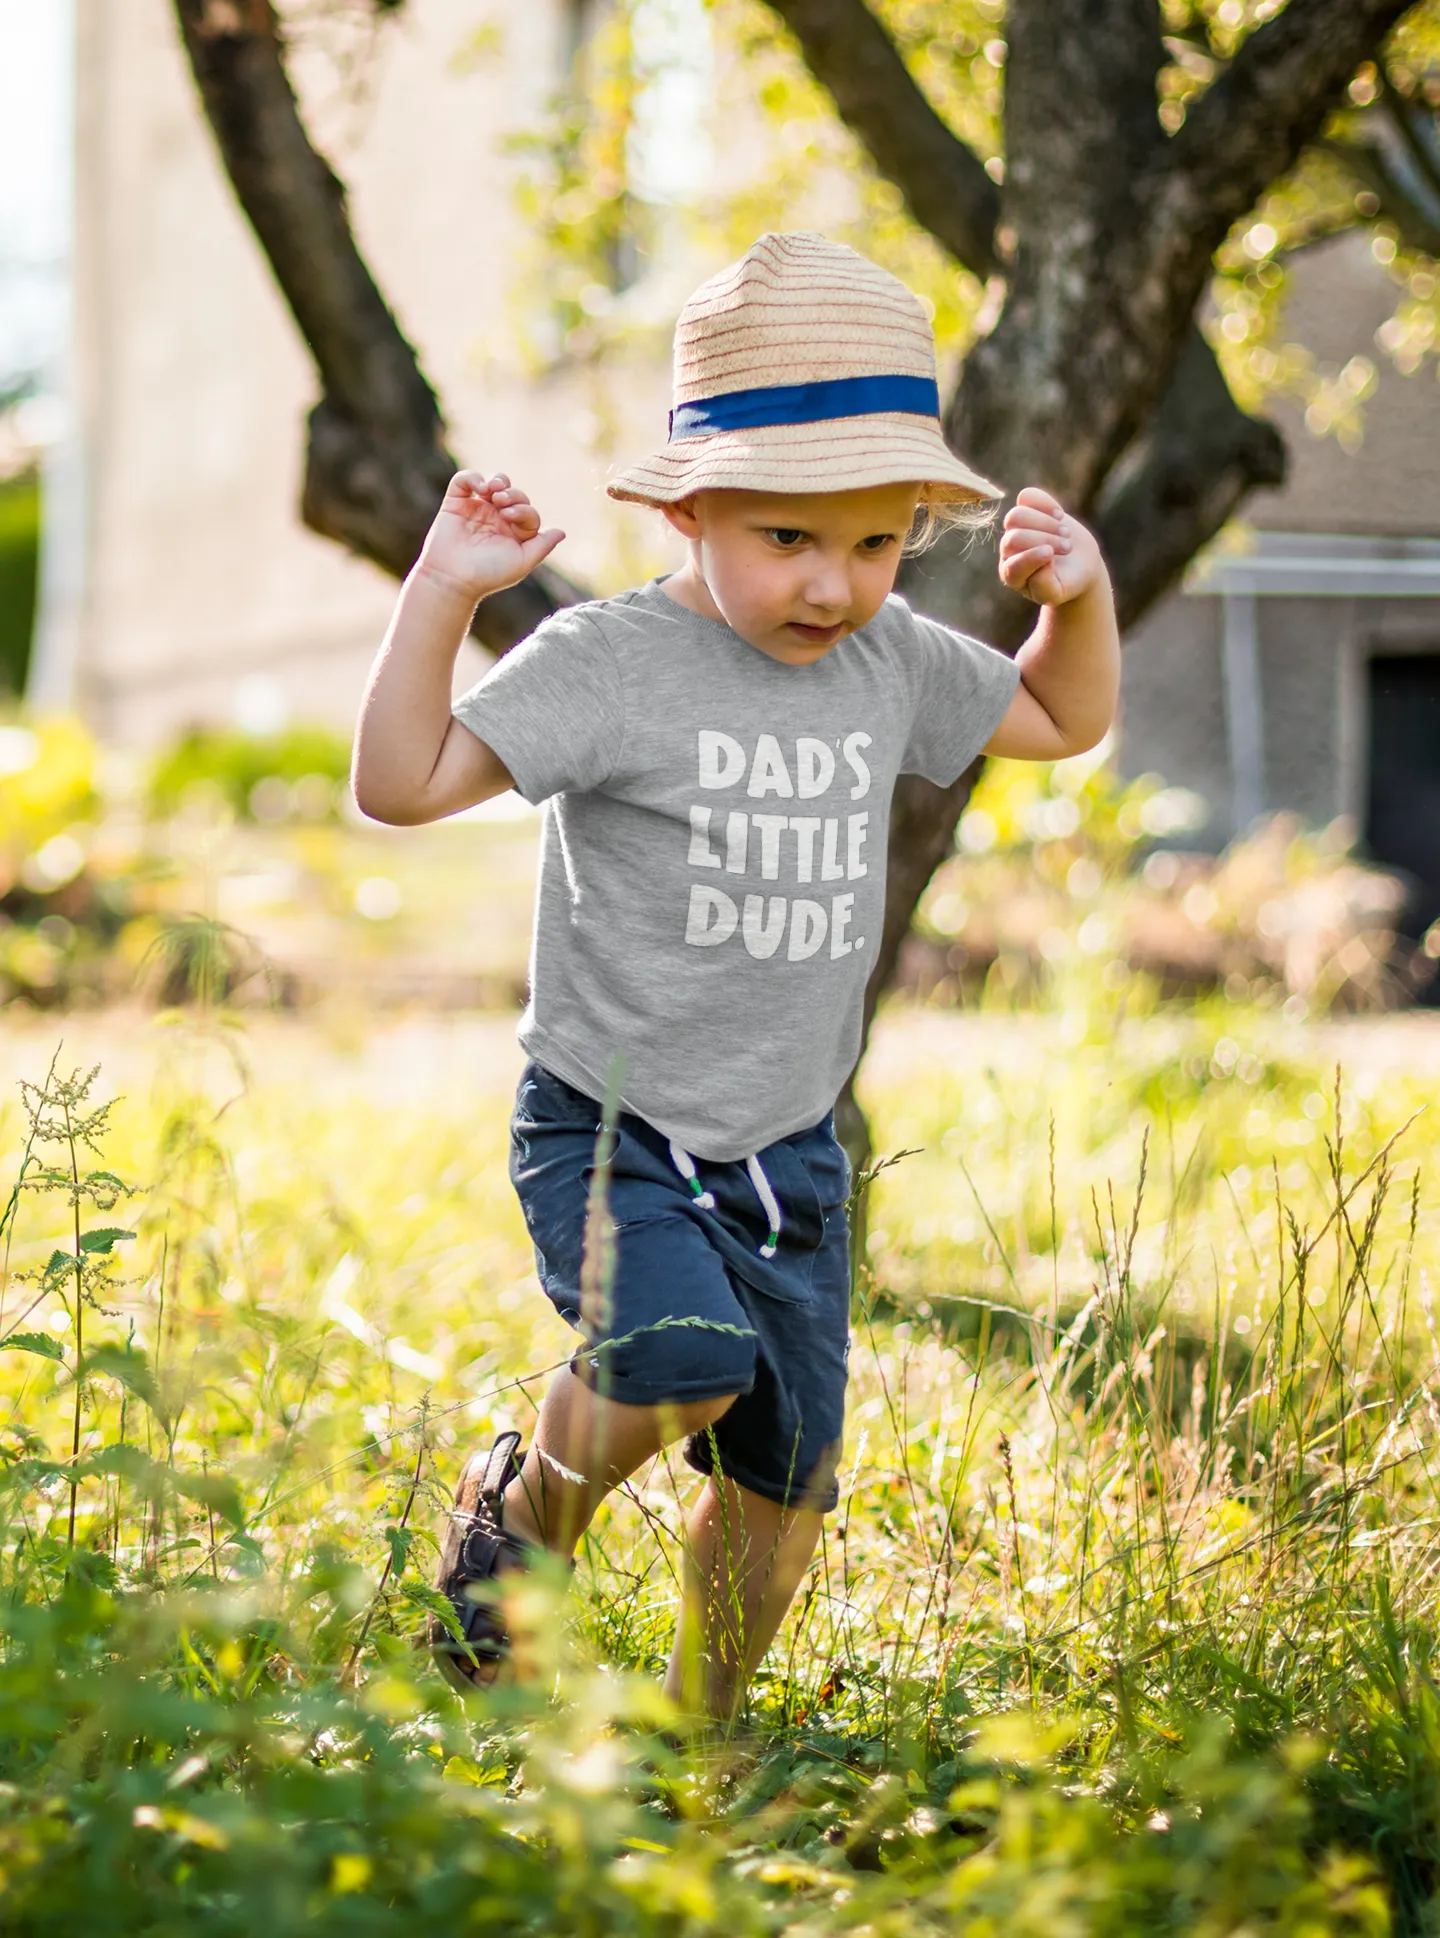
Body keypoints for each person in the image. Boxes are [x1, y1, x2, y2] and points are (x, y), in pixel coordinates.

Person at [351, 231, 1119, 1718]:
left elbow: (1053, 718)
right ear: (691, 505)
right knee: (674, 1358)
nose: (837, 584)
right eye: (788, 539)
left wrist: (1074, 603)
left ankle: (703, 1752)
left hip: (791, 1158)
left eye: (878, 540)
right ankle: (516, 1523)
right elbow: (403, 778)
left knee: (784, 1488)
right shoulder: (611, 660)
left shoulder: (888, 657)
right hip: (615, 1120)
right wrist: (443, 591)